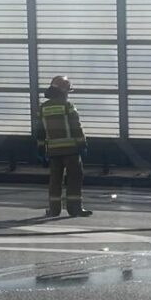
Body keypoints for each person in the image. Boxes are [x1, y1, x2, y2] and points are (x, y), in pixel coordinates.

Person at [35, 75, 92, 217]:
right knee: (74, 178)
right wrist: (82, 144)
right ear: (63, 91)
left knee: (55, 180)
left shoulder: (43, 108)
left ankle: (54, 210)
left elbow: (40, 131)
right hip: (71, 150)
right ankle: (75, 209)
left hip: (53, 151)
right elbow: (76, 127)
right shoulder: (68, 107)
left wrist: (41, 149)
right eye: (67, 91)